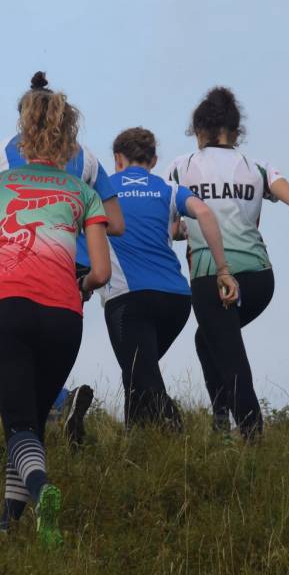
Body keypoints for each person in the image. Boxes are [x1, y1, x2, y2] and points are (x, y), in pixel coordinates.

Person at [0, 86, 110, 545]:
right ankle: (9, 525)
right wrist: (81, 286)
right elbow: (100, 271)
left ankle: (41, 492)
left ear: (23, 135)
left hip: (10, 307)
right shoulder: (84, 191)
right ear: (69, 141)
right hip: (65, 315)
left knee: (19, 425)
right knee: (32, 422)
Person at [168, 87, 289, 440]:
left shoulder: (182, 167)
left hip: (213, 276)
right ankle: (221, 418)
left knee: (227, 350)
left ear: (199, 131)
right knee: (207, 339)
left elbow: (172, 226)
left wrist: (186, 232)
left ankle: (251, 433)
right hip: (260, 278)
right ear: (236, 133)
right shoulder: (257, 167)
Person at [100, 127, 238, 430]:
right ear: (154, 160)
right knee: (136, 372)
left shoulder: (103, 189)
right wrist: (223, 270)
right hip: (175, 300)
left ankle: (175, 426)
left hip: (128, 296)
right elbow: (203, 213)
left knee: (141, 373)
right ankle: (136, 444)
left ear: (117, 159)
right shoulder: (168, 188)